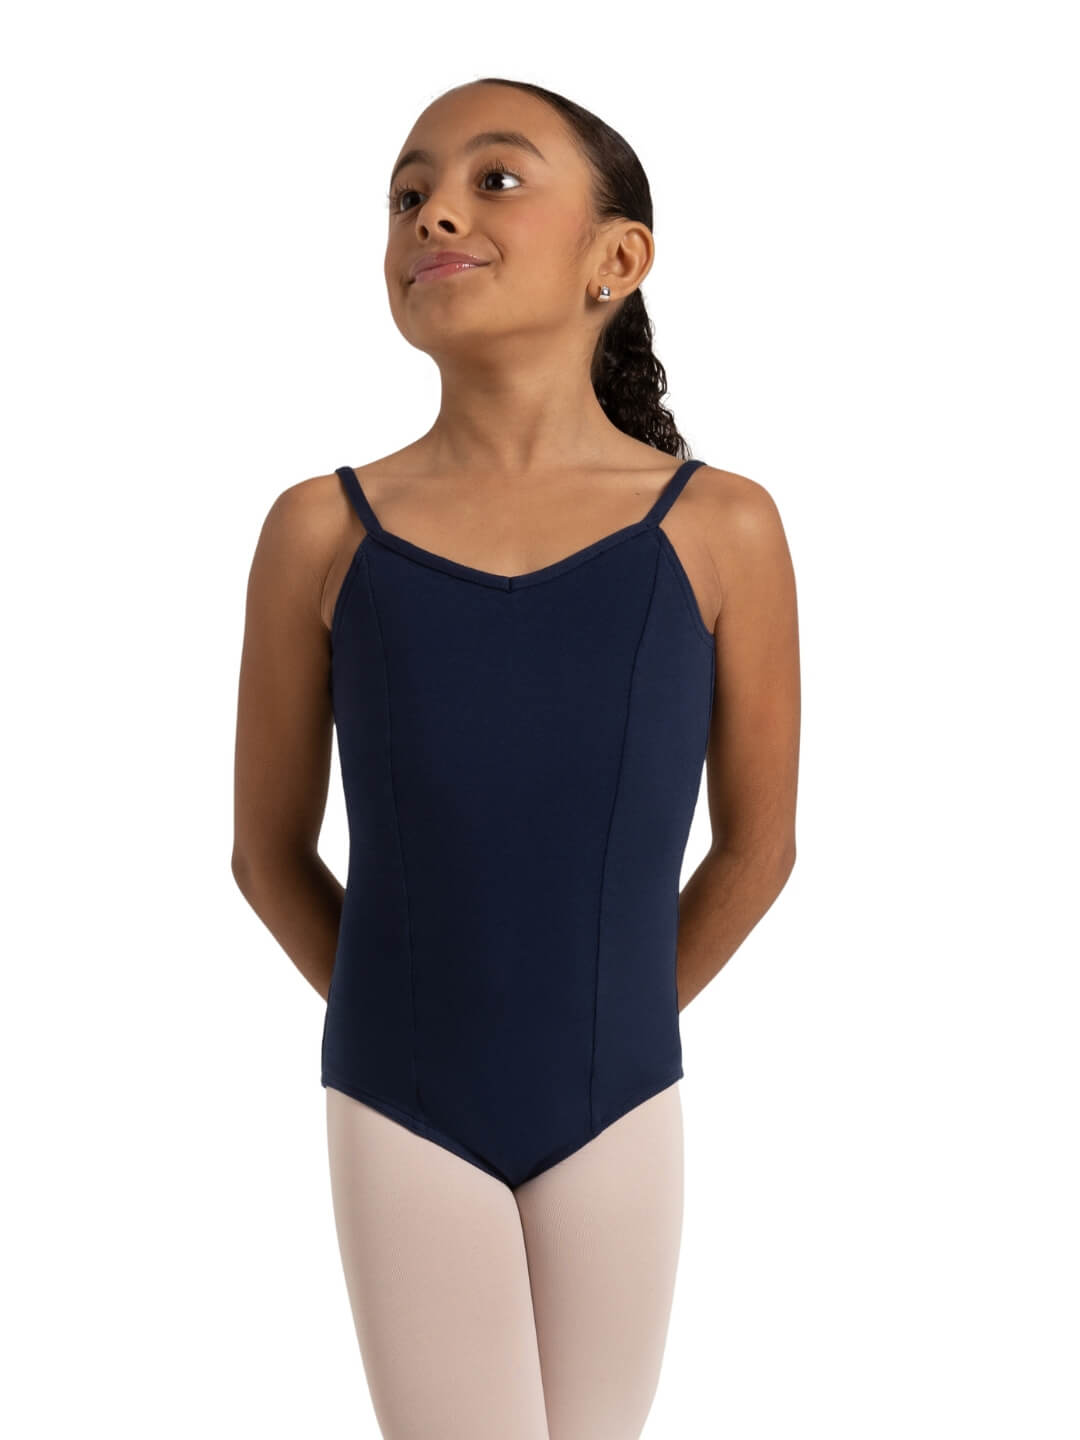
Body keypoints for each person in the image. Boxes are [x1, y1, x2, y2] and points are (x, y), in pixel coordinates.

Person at [232, 75, 800, 1440]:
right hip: (400, 1098)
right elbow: (265, 855)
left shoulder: (721, 527)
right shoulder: (321, 531)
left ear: (619, 258)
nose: (433, 211)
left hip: (620, 1095)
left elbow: (760, 848)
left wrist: (603, 1014)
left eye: (495, 178)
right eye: (406, 192)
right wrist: (416, 1017)